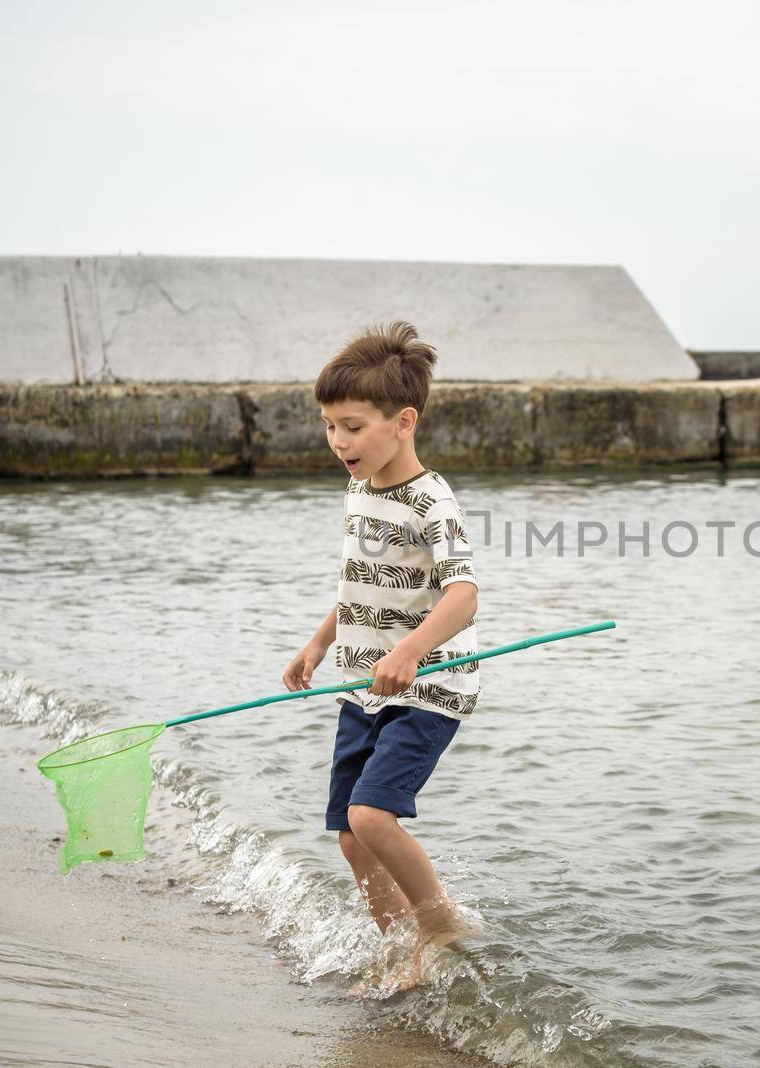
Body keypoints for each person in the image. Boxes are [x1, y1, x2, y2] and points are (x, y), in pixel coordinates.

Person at [282, 320, 482, 994]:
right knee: (348, 834)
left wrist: (411, 650)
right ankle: (403, 953)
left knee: (373, 816)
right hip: (362, 684)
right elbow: (363, 589)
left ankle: (438, 925)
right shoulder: (359, 492)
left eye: (353, 426)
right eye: (330, 426)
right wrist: (319, 640)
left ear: (403, 422)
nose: (339, 441)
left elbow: (463, 597)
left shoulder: (434, 502)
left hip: (430, 685)